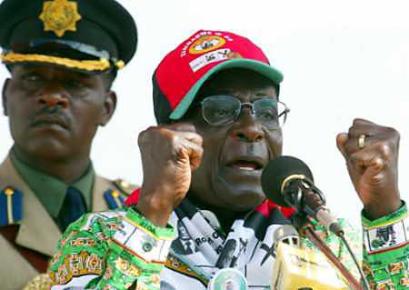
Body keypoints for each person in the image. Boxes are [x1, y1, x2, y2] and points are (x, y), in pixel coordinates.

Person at [48, 30, 408, 289]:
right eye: (221, 110)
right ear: (168, 135)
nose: (252, 129)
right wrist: (153, 211)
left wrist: (384, 212)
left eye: (267, 111)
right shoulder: (98, 237)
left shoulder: (328, 242)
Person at [0, 0, 138, 288]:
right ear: (5, 97)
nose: (52, 97)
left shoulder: (141, 216)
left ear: (107, 108)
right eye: (34, 77)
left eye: (75, 83)